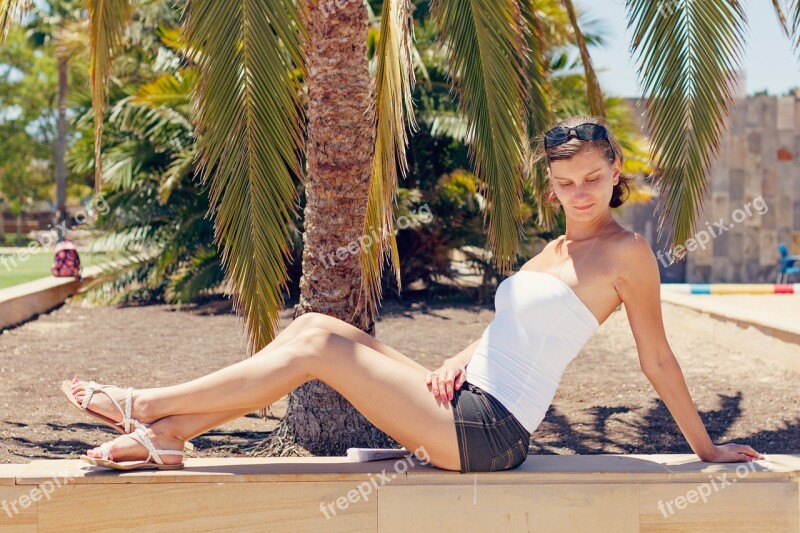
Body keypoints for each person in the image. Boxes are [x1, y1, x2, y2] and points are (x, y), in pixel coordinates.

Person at [62, 115, 764, 473]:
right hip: (460, 398)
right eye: (565, 180)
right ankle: (170, 435)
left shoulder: (629, 253)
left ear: (616, 172)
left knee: (314, 341)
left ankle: (148, 406)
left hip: (491, 431)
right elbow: (516, 326)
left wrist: (705, 450)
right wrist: (462, 352)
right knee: (315, 329)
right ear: (550, 185)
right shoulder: (555, 249)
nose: (579, 191)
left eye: (591, 176)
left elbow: (657, 360)